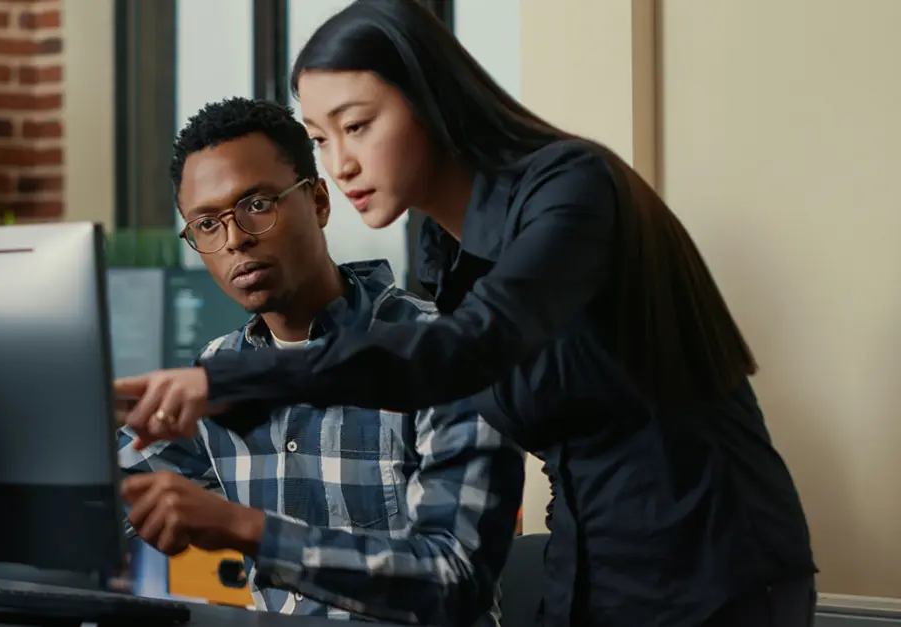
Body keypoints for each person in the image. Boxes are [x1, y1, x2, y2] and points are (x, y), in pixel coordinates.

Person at [115, 2, 817, 627]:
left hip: (714, 565)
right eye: (322, 139)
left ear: (432, 102)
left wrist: (233, 382)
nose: (342, 163)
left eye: (357, 125)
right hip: (592, 564)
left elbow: (467, 351)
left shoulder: (571, 188)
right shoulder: (444, 253)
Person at [117, 96, 524, 626]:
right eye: (207, 225)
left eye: (257, 205)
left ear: (319, 202)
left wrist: (242, 526)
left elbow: (453, 582)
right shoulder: (215, 369)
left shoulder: (439, 349)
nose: (235, 239)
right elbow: (103, 498)